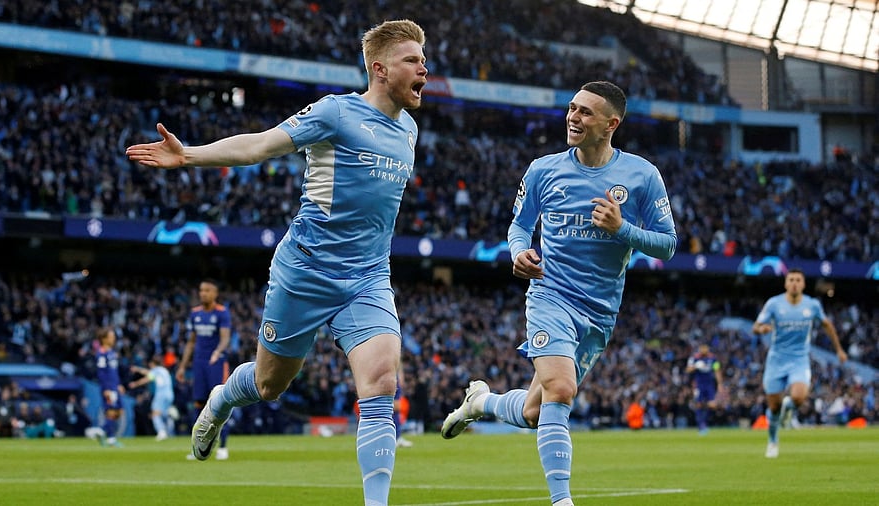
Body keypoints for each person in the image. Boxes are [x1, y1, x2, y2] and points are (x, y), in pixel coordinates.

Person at [126, 19, 427, 506]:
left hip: (368, 277)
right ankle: (222, 398)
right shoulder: (336, 113)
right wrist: (190, 157)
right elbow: (260, 144)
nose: (424, 69)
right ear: (379, 68)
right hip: (306, 269)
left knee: (382, 383)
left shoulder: (409, 129)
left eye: (424, 60)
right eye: (412, 60)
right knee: (269, 386)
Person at [440, 81, 677, 506]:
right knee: (562, 390)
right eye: (572, 108)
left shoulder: (641, 175)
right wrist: (518, 251)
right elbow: (519, 226)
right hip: (550, 295)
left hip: (601, 310)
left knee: (535, 412)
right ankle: (561, 501)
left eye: (586, 112)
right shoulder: (543, 169)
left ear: (611, 124)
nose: (573, 117)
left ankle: (481, 402)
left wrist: (621, 229)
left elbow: (668, 244)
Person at [752, 268, 847, 458]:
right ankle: (772, 440)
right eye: (791, 279)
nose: (794, 283)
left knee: (799, 396)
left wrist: (839, 349)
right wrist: (762, 330)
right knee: (773, 407)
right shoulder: (774, 303)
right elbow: (756, 326)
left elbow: (827, 325)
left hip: (799, 359)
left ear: (803, 284)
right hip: (777, 359)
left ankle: (789, 408)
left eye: (798, 280)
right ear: (786, 283)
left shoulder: (812, 305)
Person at [176, 279, 232, 460]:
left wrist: (217, 352)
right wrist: (183, 366)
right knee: (198, 404)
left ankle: (223, 446)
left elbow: (225, 338)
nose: (203, 293)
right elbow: (191, 342)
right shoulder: (195, 314)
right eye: (201, 290)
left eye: (207, 290)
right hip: (199, 363)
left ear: (215, 293)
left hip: (216, 363)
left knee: (219, 402)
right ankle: (198, 448)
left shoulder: (222, 313)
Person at [128, 355, 175, 441]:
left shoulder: (156, 371)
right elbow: (149, 372)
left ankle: (161, 432)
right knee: (165, 414)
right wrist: (138, 369)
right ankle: (170, 432)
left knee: (155, 413)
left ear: (152, 364)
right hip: (170, 394)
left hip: (161, 394)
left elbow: (148, 378)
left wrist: (135, 384)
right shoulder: (164, 370)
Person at [93, 326, 124, 447]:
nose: (113, 339)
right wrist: (106, 388)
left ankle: (104, 433)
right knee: (111, 411)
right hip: (108, 388)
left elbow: (114, 372)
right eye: (111, 337)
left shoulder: (112, 353)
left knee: (118, 411)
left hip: (115, 386)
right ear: (104, 339)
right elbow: (101, 373)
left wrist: (119, 385)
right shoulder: (101, 353)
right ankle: (106, 435)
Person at [685, 342, 724, 434]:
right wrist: (696, 366)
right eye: (702, 348)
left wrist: (720, 384)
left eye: (705, 347)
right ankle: (701, 425)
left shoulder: (713, 358)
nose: (704, 350)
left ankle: (704, 423)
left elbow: (717, 370)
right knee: (698, 404)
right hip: (699, 384)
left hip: (709, 384)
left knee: (712, 405)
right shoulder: (694, 358)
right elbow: (687, 369)